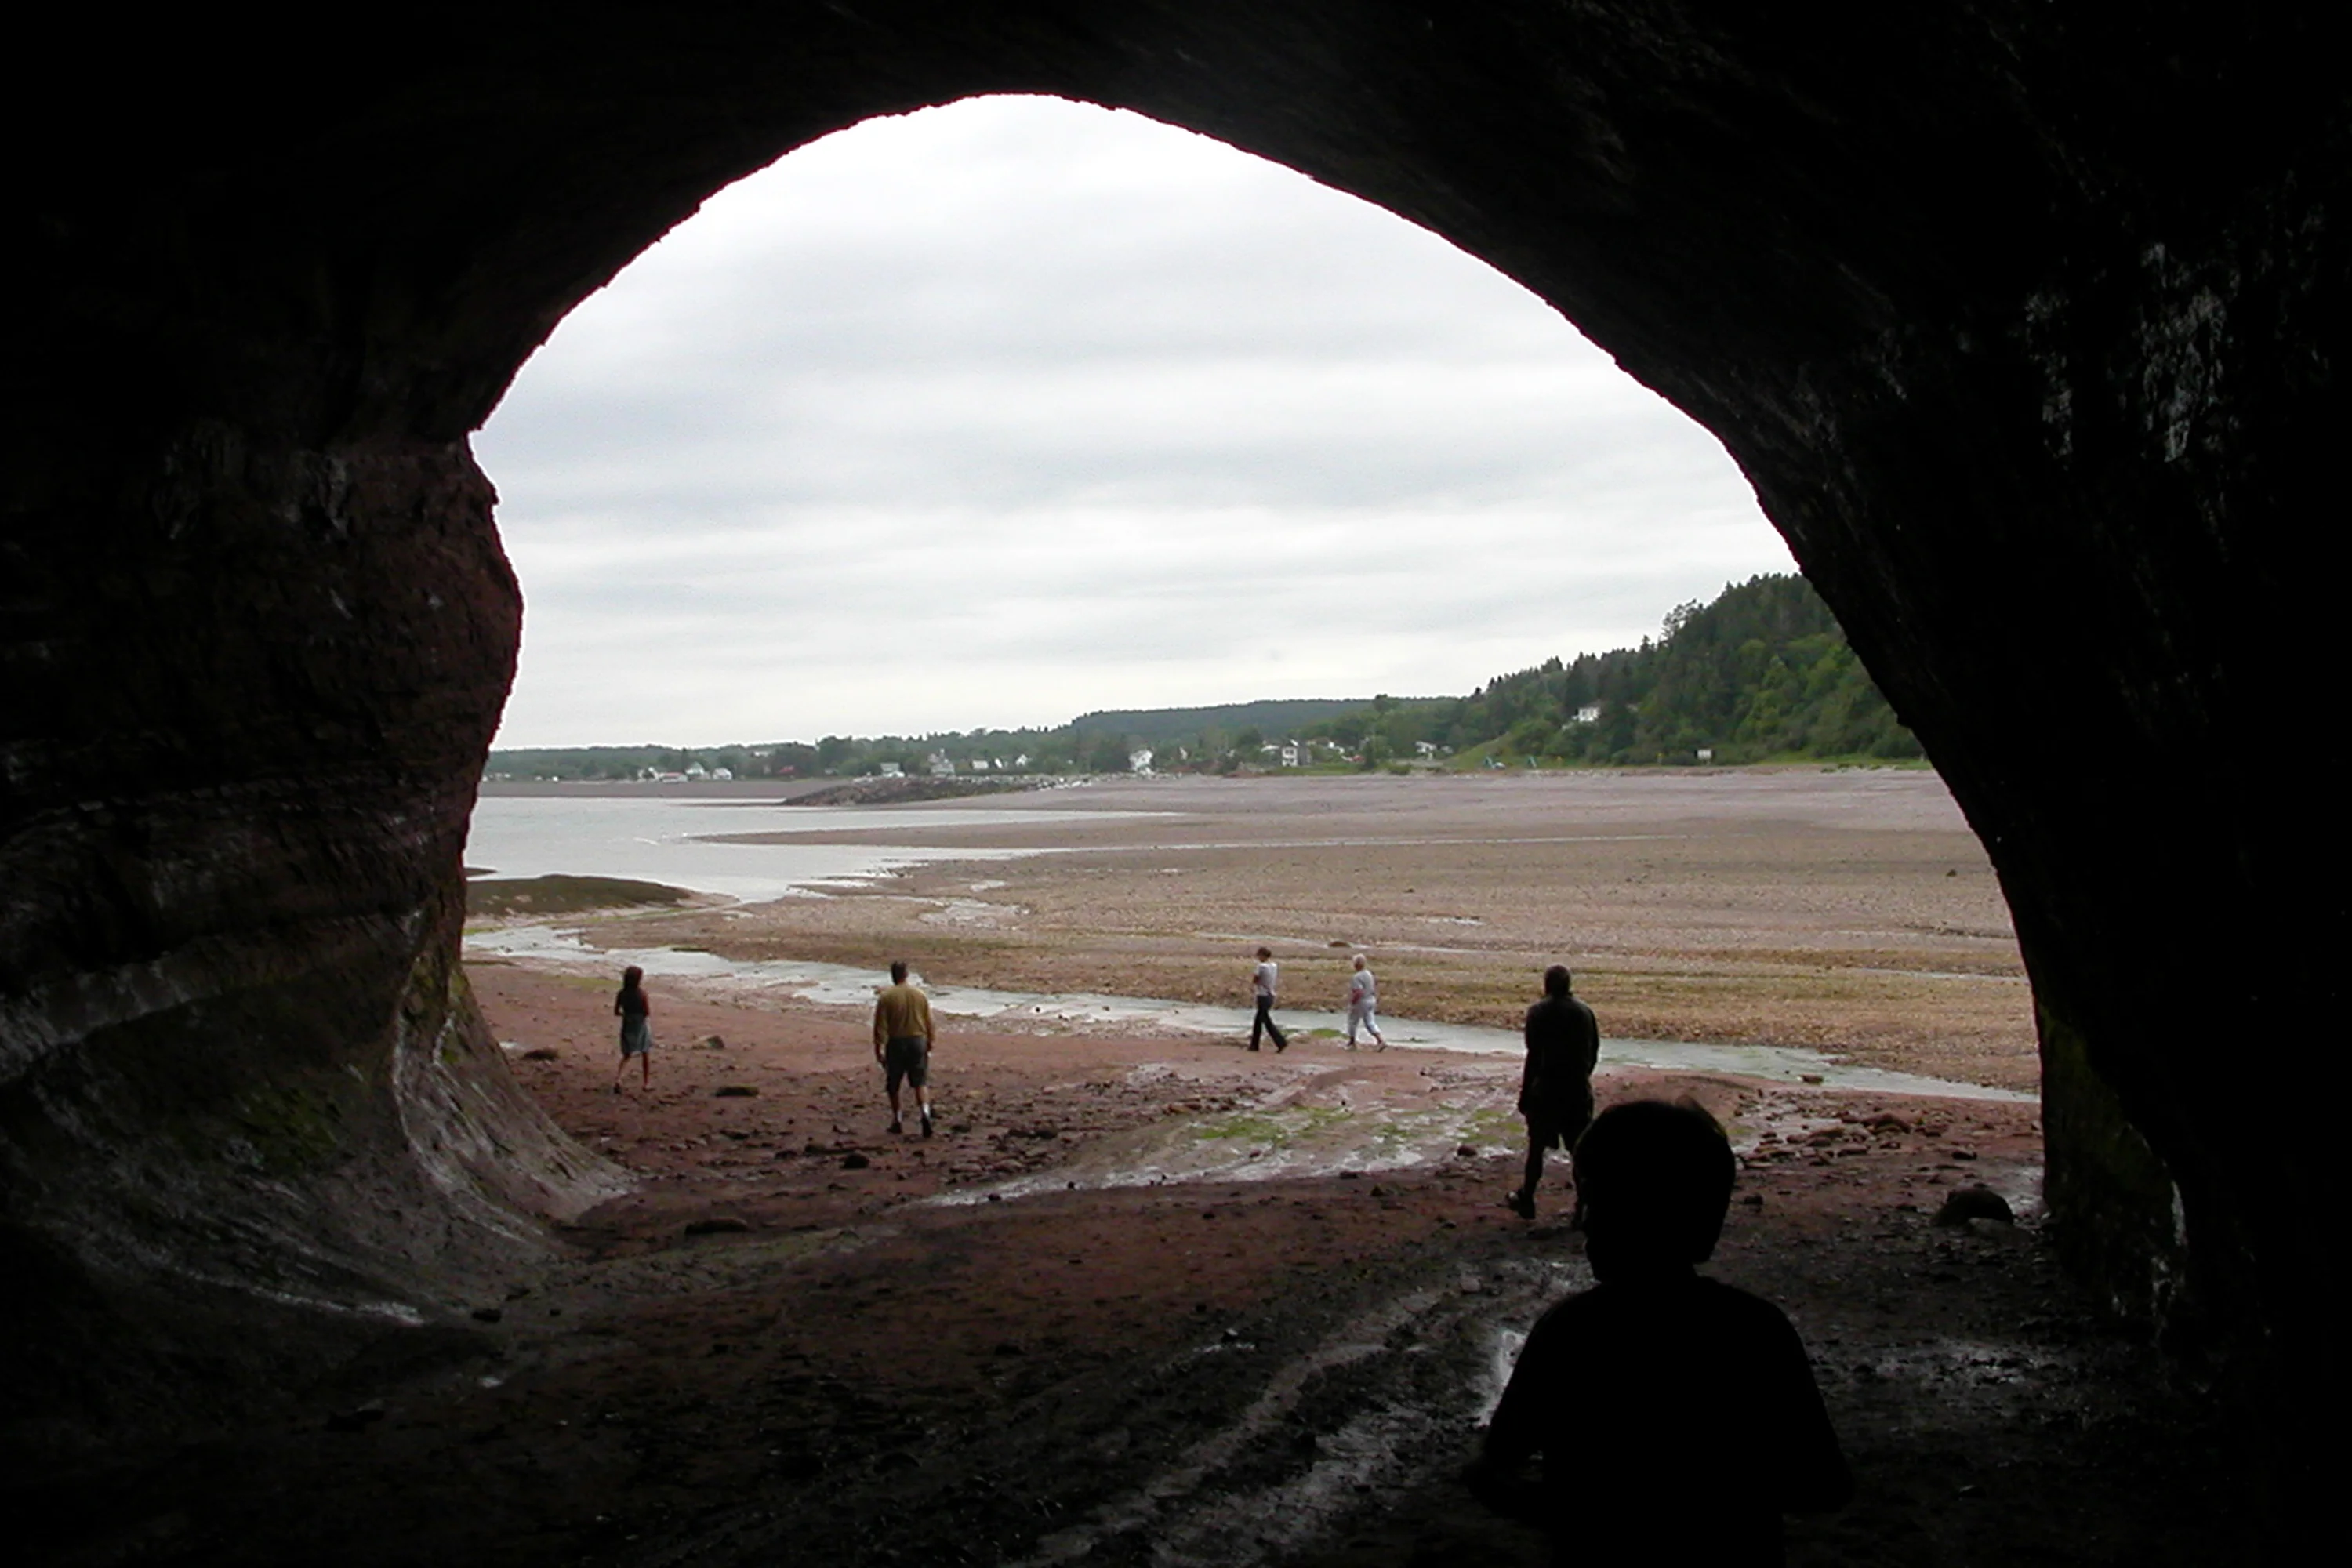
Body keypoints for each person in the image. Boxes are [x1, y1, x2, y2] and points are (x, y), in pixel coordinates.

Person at [1468, 1099, 1852, 1565]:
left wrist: (1584, 1516)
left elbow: (1494, 1469)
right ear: (1708, 1218)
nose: (1586, 1220)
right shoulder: (1757, 1330)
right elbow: (1825, 1485)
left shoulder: (1571, 1332)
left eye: (1595, 1200)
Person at [1508, 964, 1598, 1219]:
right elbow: (1593, 1053)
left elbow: (1533, 1056)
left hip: (1545, 1090)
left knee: (1536, 1149)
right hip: (1577, 1091)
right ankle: (1582, 1206)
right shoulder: (1584, 1013)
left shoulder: (1538, 1012)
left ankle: (1528, 1198)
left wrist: (1525, 1093)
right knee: (1578, 1150)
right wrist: (1582, 1079)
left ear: (1547, 985)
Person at [871, 959, 935, 1136]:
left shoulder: (886, 997)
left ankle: (897, 1120)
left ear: (893, 976)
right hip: (918, 1041)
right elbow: (930, 1022)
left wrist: (879, 1048)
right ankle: (925, 1113)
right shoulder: (920, 995)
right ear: (907, 974)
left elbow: (880, 1026)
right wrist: (930, 1042)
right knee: (920, 1082)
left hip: (897, 1042)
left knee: (894, 1084)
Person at [612, 965, 653, 1093]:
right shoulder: (642, 994)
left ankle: (619, 1078)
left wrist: (626, 1015)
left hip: (627, 1024)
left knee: (627, 1054)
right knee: (645, 1052)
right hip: (640, 1024)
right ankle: (646, 1083)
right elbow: (647, 1012)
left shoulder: (621, 994)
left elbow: (616, 1012)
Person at [1247, 946, 1287, 1053]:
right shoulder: (1274, 966)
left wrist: (1252, 986)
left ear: (1263, 955)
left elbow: (1256, 978)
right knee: (1259, 1020)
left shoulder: (1261, 966)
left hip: (1263, 995)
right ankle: (1254, 1045)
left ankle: (1281, 1042)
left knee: (1265, 1020)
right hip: (1271, 994)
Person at [1342, 953, 1386, 1049]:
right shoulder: (1369, 974)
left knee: (1352, 1021)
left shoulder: (1357, 977)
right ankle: (1380, 1040)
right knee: (1370, 1022)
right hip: (1371, 999)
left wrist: (1352, 1002)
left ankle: (1352, 1043)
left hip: (1362, 1002)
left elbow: (1359, 991)